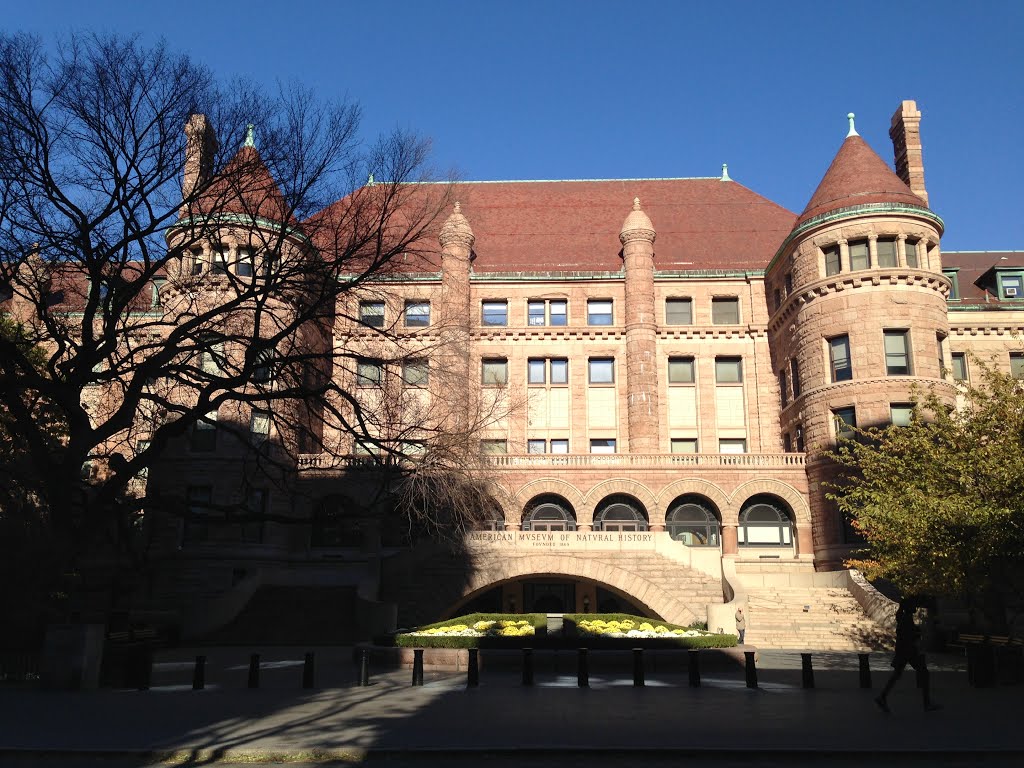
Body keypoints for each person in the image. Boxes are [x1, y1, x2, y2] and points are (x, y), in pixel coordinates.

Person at [875, 599, 940, 713]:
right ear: (909, 607)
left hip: (903, 651)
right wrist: (917, 634)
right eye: (913, 604)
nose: (916, 606)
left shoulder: (903, 617)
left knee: (897, 675)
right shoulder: (906, 619)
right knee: (923, 673)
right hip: (908, 651)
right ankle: (927, 703)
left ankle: (883, 696)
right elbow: (908, 636)